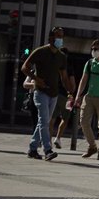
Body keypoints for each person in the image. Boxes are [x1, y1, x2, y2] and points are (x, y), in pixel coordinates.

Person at [21, 27, 75, 161]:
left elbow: (63, 76)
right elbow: (24, 68)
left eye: (62, 36)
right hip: (40, 92)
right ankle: (47, 150)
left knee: (42, 122)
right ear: (50, 38)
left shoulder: (62, 57)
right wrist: (36, 79)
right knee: (44, 120)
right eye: (57, 36)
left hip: (54, 94)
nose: (60, 39)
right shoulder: (40, 52)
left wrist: (71, 92)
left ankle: (32, 149)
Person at [50, 47, 76, 149]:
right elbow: (73, 85)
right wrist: (71, 92)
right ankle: (58, 138)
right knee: (65, 118)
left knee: (52, 118)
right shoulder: (69, 68)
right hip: (66, 96)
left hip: (54, 95)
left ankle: (49, 141)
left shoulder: (53, 66)